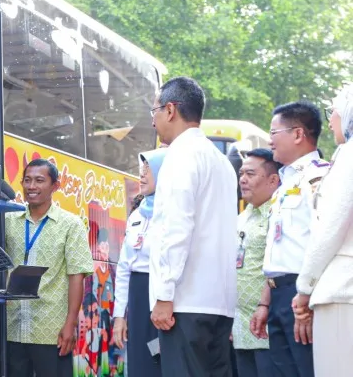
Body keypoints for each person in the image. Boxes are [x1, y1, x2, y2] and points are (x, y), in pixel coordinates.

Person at [147, 76, 238, 377]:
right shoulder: (221, 161)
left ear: (170, 110)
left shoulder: (181, 156)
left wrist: (164, 295)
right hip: (220, 304)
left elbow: (175, 228)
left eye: (155, 111)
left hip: (184, 302)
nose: (153, 121)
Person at [254, 101, 328, 377]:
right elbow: (277, 249)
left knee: (306, 369)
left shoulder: (319, 176)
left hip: (302, 295)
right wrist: (265, 302)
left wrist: (306, 298)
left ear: (297, 134)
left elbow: (323, 241)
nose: (269, 140)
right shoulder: (284, 182)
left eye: (273, 133)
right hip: (278, 293)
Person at [5, 158, 94, 377]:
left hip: (50, 330)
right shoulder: (7, 221)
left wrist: (70, 324)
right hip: (11, 328)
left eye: (39, 180)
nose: (31, 186)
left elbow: (76, 276)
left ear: (55, 185)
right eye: (27, 180)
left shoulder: (70, 224)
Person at [292, 84, 353, 376]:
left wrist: (304, 289)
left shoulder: (348, 155)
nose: (330, 121)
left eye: (334, 112)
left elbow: (329, 228)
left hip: (342, 290)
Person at [112, 148, 167, 377]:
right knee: (139, 360)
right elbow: (124, 268)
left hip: (162, 295)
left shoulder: (172, 213)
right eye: (141, 169)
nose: (142, 175)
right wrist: (119, 316)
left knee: (159, 358)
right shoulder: (137, 215)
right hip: (137, 295)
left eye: (148, 169)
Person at [233, 148, 280, 377]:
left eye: (250, 174)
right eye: (241, 173)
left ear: (273, 180)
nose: (242, 179)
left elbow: (277, 266)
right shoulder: (242, 217)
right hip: (241, 328)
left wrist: (264, 305)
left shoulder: (277, 215)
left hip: (268, 328)